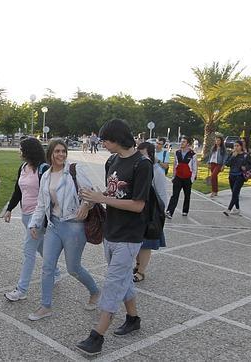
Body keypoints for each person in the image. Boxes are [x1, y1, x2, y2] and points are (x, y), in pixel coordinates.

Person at [77, 119, 152, 356]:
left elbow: (138, 205)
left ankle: (97, 336)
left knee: (112, 283)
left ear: (117, 138)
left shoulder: (142, 164)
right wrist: (91, 199)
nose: (103, 144)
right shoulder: (112, 160)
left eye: (105, 140)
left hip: (130, 236)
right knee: (122, 279)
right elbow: (111, 193)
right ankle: (133, 318)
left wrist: (103, 199)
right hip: (111, 231)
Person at [26, 139, 100, 320]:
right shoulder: (46, 176)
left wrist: (86, 205)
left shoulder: (74, 170)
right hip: (54, 226)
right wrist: (34, 224)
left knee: (73, 268)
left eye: (63, 151)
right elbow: (41, 204)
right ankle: (45, 306)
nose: (61, 155)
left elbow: (90, 194)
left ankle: (95, 292)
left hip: (74, 226)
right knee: (47, 267)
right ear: (50, 154)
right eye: (57, 151)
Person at [3, 137, 59, 302]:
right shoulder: (23, 167)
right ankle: (56, 272)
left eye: (21, 149)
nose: (19, 152)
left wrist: (41, 220)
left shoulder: (43, 169)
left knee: (28, 251)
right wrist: (9, 209)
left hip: (38, 217)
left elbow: (49, 195)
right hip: (26, 215)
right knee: (41, 247)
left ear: (28, 151)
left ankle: (21, 289)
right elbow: (17, 191)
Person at [134, 142, 168, 283]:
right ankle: (137, 265)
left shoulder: (157, 171)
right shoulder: (138, 168)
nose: (140, 157)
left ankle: (141, 271)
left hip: (151, 213)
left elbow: (162, 195)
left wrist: (160, 214)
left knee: (146, 243)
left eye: (143, 154)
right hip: (138, 211)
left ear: (151, 154)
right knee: (137, 242)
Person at [166, 136, 197, 218]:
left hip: (187, 178)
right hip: (178, 178)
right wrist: (174, 176)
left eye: (184, 142)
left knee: (187, 195)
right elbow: (175, 165)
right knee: (174, 195)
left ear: (188, 144)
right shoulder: (177, 152)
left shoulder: (193, 154)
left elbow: (194, 168)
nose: (181, 143)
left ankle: (185, 211)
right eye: (181, 141)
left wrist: (191, 179)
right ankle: (169, 211)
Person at [223, 140, 251, 216]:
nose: (236, 147)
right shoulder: (232, 154)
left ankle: (228, 209)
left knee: (235, 193)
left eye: (237, 146)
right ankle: (237, 209)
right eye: (235, 146)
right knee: (234, 193)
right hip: (231, 176)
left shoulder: (246, 155)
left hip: (240, 176)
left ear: (241, 146)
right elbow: (227, 164)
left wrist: (246, 167)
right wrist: (233, 156)